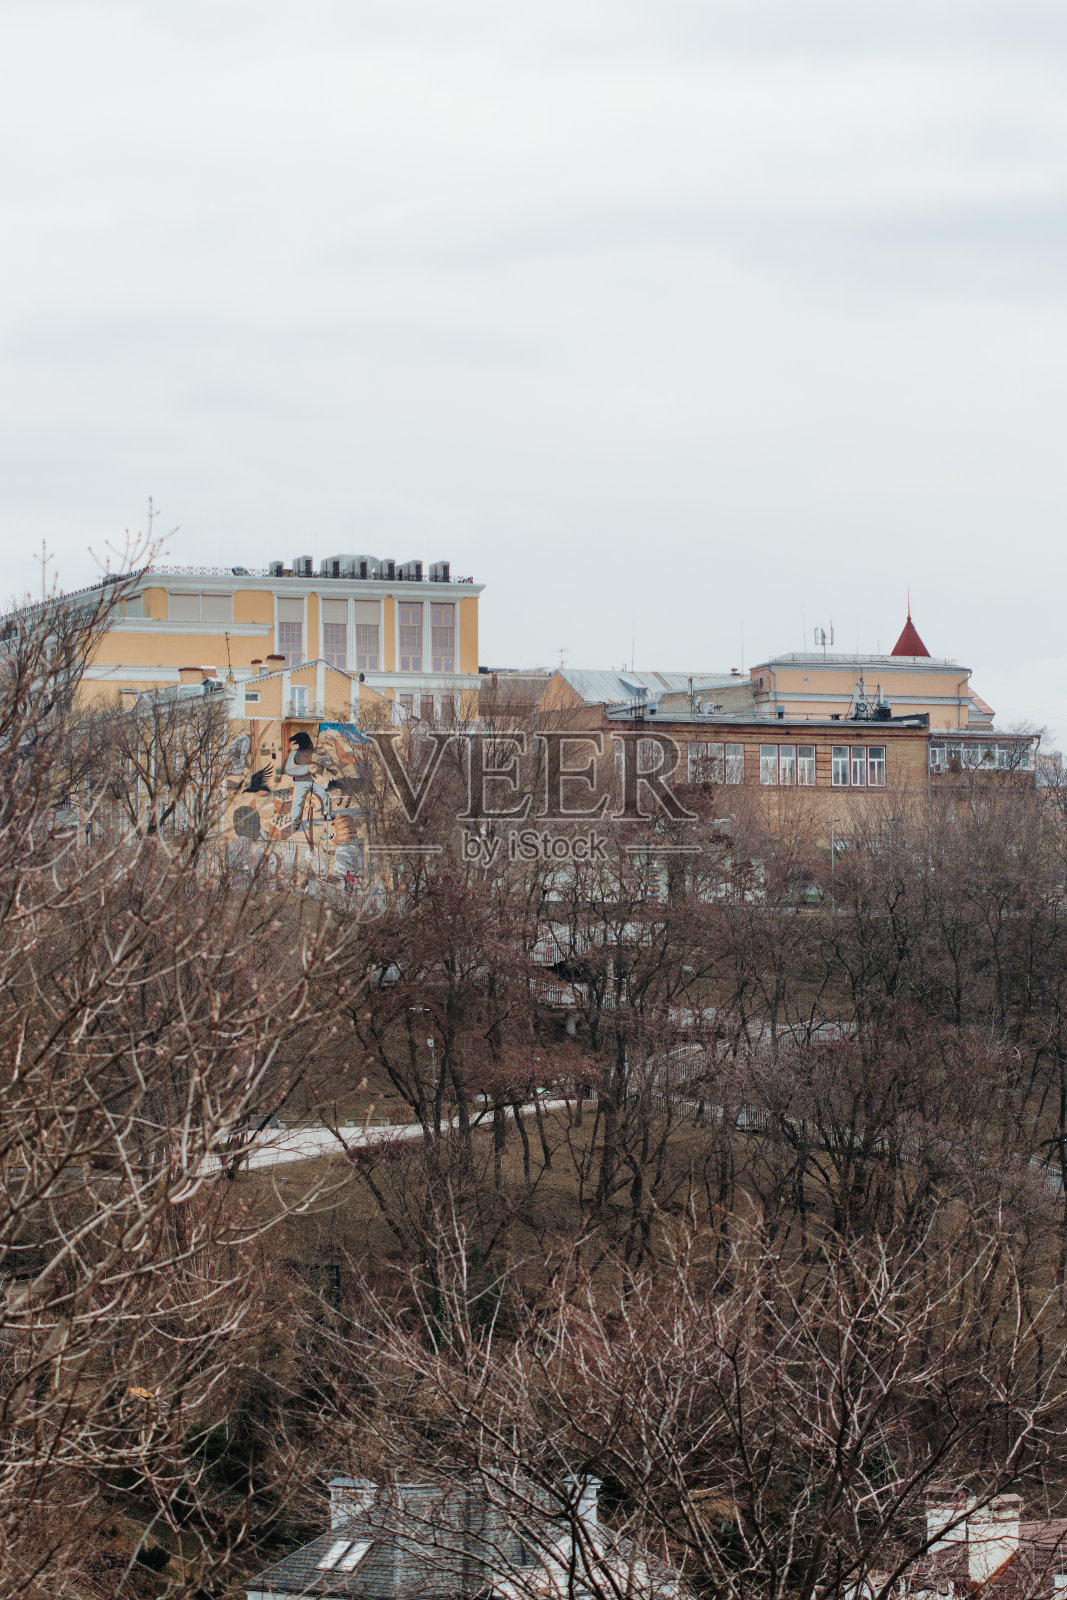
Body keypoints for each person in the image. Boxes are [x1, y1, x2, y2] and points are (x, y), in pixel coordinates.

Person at [285, 731, 332, 827]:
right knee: (297, 801)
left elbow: (329, 763)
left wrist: (322, 757)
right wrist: (307, 768)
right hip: (300, 782)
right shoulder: (293, 753)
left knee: (324, 795)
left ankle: (326, 814)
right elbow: (288, 770)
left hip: (315, 780)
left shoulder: (316, 752)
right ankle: (295, 821)